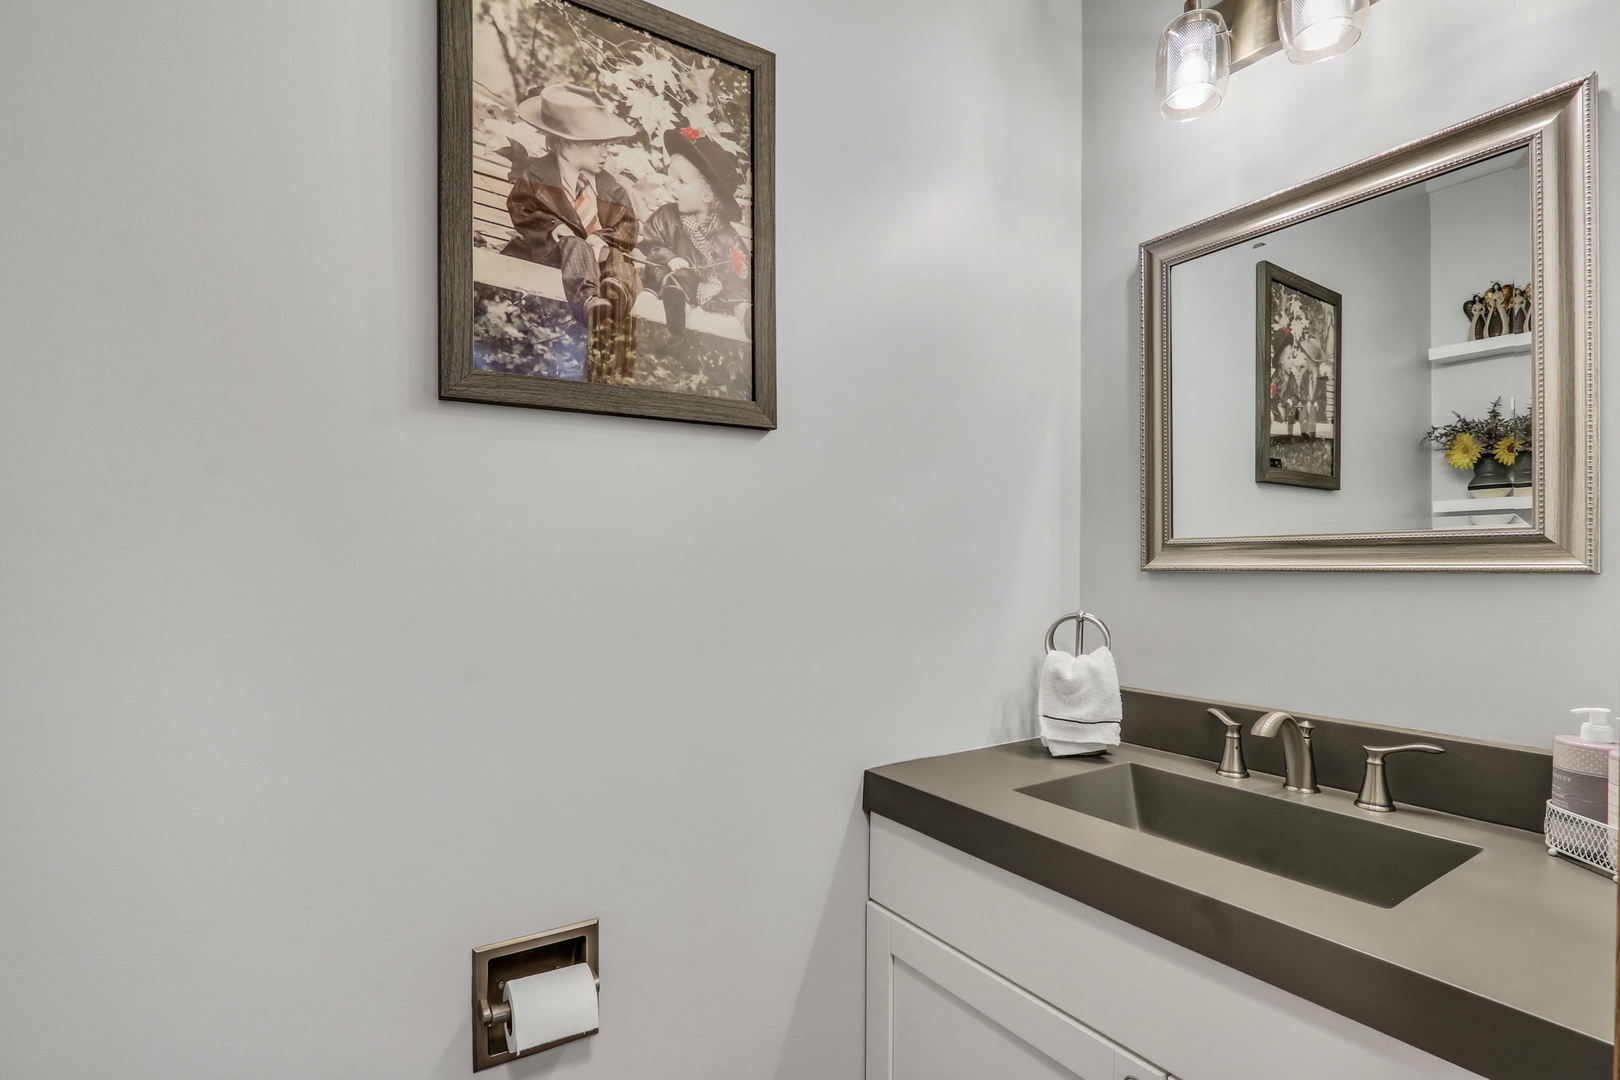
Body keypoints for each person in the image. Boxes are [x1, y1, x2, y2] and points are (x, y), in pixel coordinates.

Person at [499, 84, 641, 383]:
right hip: (556, 256)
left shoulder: (611, 187)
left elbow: (627, 227)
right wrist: (553, 228)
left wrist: (604, 240)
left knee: (618, 259)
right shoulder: (537, 176)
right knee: (576, 245)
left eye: (607, 144)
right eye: (597, 144)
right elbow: (521, 208)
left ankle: (613, 297)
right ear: (567, 143)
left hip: (600, 261)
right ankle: (590, 301)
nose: (606, 152)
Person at [637, 127, 751, 341]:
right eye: (672, 179)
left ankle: (743, 312)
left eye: (681, 181)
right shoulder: (667, 217)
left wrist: (735, 287)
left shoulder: (727, 236)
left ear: (707, 194)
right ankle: (676, 310)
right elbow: (650, 245)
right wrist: (670, 258)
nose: (672, 187)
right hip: (676, 278)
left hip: (714, 290)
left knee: (735, 291)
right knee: (677, 278)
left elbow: (739, 269)